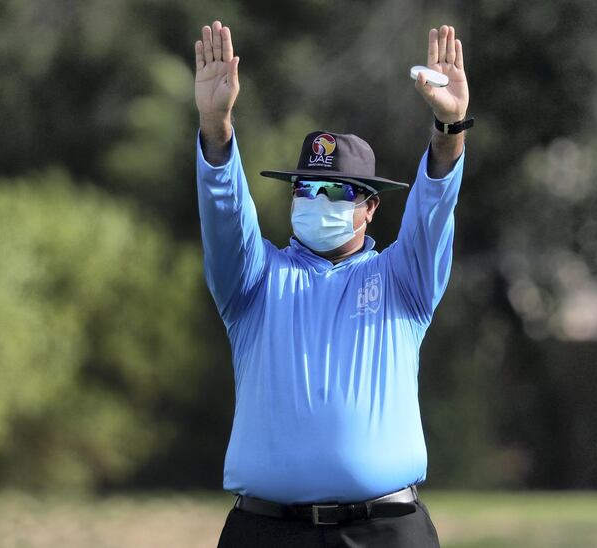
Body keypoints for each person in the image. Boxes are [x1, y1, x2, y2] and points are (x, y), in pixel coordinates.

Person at [194, 19, 470, 548]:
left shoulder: (401, 280)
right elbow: (225, 215)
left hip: (386, 531)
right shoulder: (254, 280)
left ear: (370, 207)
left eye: (337, 191)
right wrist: (215, 127)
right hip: (266, 531)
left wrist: (448, 130)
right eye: (308, 188)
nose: (318, 201)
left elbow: (434, 211)